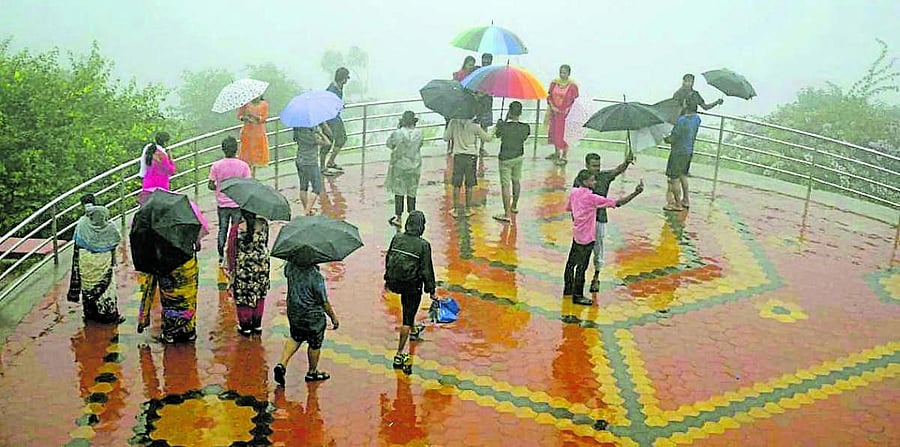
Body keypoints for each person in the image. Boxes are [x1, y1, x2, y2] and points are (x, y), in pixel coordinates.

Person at [564, 170, 643, 305]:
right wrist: (635, 193)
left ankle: (568, 289)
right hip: (588, 236)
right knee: (582, 267)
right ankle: (578, 295)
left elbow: (570, 209)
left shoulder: (574, 192)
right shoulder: (592, 198)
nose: (594, 182)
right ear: (585, 182)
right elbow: (617, 203)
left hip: (577, 233)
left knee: (571, 263)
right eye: (592, 180)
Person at [383, 211, 436, 369]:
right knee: (407, 315)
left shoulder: (397, 238)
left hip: (395, 281)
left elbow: (388, 258)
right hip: (412, 285)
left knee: (408, 309)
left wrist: (387, 279)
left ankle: (413, 329)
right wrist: (431, 290)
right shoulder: (423, 245)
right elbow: (427, 270)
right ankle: (399, 354)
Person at [274, 262, 340, 385]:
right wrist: (333, 317)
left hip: (294, 312)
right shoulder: (315, 277)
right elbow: (323, 301)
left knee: (295, 337)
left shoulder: (291, 267)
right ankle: (312, 372)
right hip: (312, 317)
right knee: (315, 343)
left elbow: (286, 273)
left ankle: (282, 364)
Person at [67, 194, 125, 324]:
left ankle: (90, 314)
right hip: (104, 261)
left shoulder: (82, 223)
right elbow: (116, 241)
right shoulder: (109, 227)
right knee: (106, 288)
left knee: (88, 286)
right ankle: (108, 315)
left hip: (85, 260)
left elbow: (77, 241)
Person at [585, 151, 634, 292]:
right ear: (587, 165)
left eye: (598, 165)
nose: (597, 169)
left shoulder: (604, 177)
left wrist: (626, 162)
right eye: (594, 166)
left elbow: (618, 170)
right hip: (585, 220)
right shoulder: (581, 179)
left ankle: (596, 276)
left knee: (598, 248)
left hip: (599, 218)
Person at [207, 136, 251, 264]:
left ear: (223, 149)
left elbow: (210, 184)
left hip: (222, 204)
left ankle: (221, 255)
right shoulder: (243, 166)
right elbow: (247, 184)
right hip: (237, 203)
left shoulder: (216, 166)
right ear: (236, 149)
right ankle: (235, 253)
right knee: (236, 230)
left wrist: (218, 188)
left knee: (223, 229)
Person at [226, 210, 270, 335]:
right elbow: (265, 243)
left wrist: (231, 270)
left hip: (244, 269)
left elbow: (231, 250)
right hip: (261, 266)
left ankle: (245, 326)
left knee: (244, 296)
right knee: (260, 294)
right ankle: (257, 325)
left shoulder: (237, 228)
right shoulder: (264, 225)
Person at [443, 118, 493, 218]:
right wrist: (495, 129)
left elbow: (446, 138)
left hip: (458, 156)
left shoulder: (454, 122)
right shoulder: (475, 125)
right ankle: (468, 209)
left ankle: (456, 210)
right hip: (471, 157)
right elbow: (487, 138)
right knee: (469, 184)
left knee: (456, 184)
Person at [492, 101, 530, 223]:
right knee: (516, 180)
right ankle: (514, 206)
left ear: (509, 111)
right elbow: (524, 137)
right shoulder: (525, 127)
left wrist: (500, 124)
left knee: (505, 185)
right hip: (518, 156)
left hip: (505, 158)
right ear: (520, 112)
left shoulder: (504, 126)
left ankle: (506, 213)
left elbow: (497, 135)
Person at [386, 111, 424, 227]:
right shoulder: (420, 133)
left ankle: (398, 217)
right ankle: (412, 216)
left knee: (399, 191)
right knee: (412, 191)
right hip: (415, 165)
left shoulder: (397, 133)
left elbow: (389, 145)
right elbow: (420, 145)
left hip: (400, 165)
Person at [664, 103, 702, 211]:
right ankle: (686, 199)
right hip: (688, 151)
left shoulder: (682, 121)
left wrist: (666, 139)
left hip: (678, 152)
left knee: (674, 178)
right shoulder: (697, 119)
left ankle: (677, 204)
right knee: (683, 175)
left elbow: (674, 138)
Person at [293, 126, 331, 215]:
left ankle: (307, 209)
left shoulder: (297, 132)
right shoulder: (312, 136)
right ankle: (307, 211)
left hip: (299, 161)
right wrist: (319, 132)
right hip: (310, 163)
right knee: (317, 187)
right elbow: (327, 142)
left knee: (303, 186)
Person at [546, 65, 579, 165]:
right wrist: (553, 107)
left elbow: (574, 100)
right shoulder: (554, 83)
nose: (562, 74)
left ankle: (564, 155)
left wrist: (567, 109)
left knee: (564, 134)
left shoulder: (572, 85)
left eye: (564, 72)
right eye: (561, 72)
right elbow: (549, 96)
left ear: (569, 73)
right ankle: (556, 153)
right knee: (555, 132)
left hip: (566, 114)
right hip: (554, 113)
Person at [322, 67, 350, 176]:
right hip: (329, 119)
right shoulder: (332, 89)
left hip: (336, 118)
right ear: (343, 78)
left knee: (342, 139)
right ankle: (323, 167)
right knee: (327, 143)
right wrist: (325, 125)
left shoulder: (339, 87)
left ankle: (331, 161)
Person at [237, 96, 269, 178]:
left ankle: (253, 175)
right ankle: (248, 175)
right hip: (247, 132)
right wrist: (246, 118)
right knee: (247, 155)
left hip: (258, 133)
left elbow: (264, 118)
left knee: (256, 155)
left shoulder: (264, 105)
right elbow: (239, 116)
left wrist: (255, 117)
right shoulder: (245, 104)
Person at [139, 134, 176, 204]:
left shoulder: (149, 149)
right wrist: (171, 158)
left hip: (148, 183)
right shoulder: (161, 155)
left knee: (148, 206)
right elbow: (171, 170)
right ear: (165, 142)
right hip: (160, 185)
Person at [474, 53, 494, 155]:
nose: (485, 62)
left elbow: (494, 88)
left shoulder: (493, 73)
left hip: (487, 103)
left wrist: (485, 93)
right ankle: (473, 146)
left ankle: (482, 147)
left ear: (491, 61)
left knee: (484, 125)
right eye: (484, 60)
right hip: (476, 102)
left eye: (488, 61)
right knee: (473, 124)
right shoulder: (477, 71)